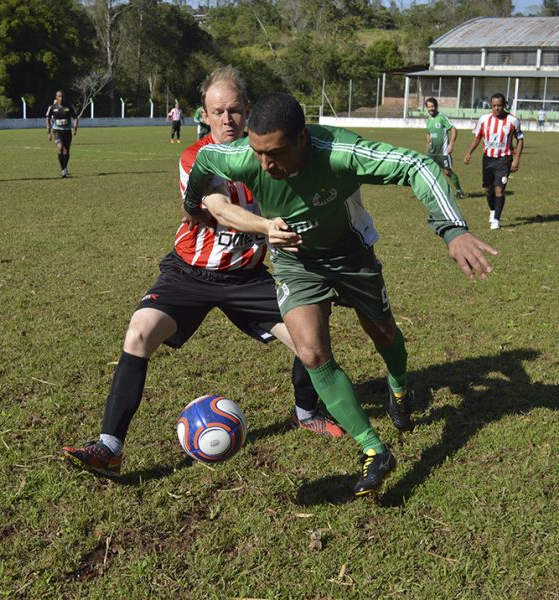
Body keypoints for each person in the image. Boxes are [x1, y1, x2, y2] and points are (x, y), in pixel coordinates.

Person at [183, 92, 498, 496]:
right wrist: (194, 203)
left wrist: (452, 229)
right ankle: (373, 449)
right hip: (296, 262)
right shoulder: (244, 156)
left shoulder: (340, 152)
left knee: (382, 332)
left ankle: (399, 386)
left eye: (275, 153)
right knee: (311, 352)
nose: (265, 165)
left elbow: (417, 164)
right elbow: (207, 160)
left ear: (302, 139)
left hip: (351, 253)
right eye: (259, 153)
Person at [61, 67, 343, 480]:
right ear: (205, 116)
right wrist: (266, 227)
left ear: (248, 112)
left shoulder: (271, 155)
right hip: (188, 274)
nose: (227, 119)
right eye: (218, 111)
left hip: (247, 277)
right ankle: (109, 448)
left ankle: (306, 412)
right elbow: (219, 208)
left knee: (310, 339)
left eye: (234, 110)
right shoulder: (196, 157)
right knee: (139, 333)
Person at [464, 92, 524, 230]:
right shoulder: (484, 119)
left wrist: (516, 159)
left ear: (504, 105)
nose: (496, 108)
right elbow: (478, 137)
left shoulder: (513, 121)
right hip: (488, 159)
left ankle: (496, 220)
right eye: (494, 106)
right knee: (488, 189)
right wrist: (469, 152)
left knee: (499, 190)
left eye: (499, 106)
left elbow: (520, 139)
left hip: (504, 159)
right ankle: (492, 211)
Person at [424, 97, 465, 198]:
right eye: (428, 107)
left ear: (436, 106)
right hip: (431, 152)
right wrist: (427, 146)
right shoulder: (428, 120)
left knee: (447, 172)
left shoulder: (442, 117)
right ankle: (432, 193)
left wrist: (451, 144)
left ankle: (459, 191)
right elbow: (428, 134)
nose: (431, 109)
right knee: (430, 172)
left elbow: (454, 129)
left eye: (432, 106)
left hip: (443, 152)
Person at [46, 90, 78, 178]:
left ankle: (65, 168)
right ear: (56, 97)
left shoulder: (69, 106)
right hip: (57, 131)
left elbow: (75, 117)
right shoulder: (52, 107)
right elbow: (47, 118)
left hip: (67, 131)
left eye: (63, 96)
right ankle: (63, 169)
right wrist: (48, 132)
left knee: (66, 150)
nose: (61, 98)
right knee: (60, 148)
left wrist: (75, 128)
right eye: (59, 96)